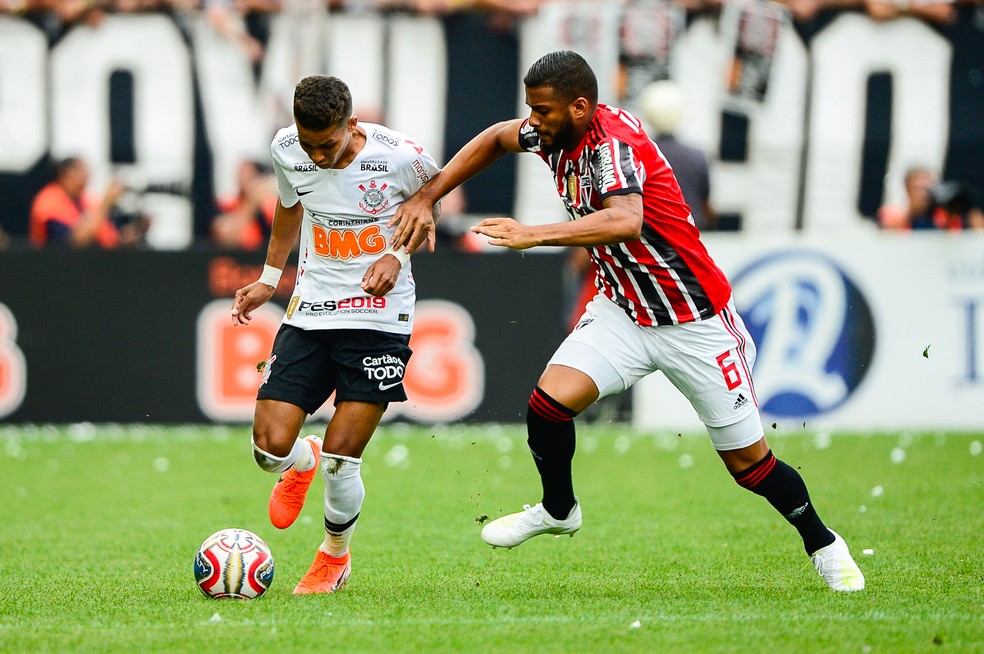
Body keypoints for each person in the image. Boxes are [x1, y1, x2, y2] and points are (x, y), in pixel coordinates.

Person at [390, 50, 864, 592]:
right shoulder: (554, 130)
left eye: (543, 111)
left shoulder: (610, 146)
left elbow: (626, 220)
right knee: (547, 406)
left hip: (692, 319)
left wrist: (533, 234)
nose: (533, 121)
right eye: (532, 109)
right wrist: (428, 195)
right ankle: (559, 510)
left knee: (750, 467)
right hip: (623, 310)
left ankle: (825, 544)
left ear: (579, 107)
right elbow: (498, 137)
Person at [229, 75, 440, 595]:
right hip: (312, 310)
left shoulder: (400, 155)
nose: (318, 156)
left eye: (328, 145)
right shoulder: (286, 148)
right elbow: (289, 205)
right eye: (309, 144)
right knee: (267, 448)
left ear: (352, 125)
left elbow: (432, 199)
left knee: (343, 458)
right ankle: (302, 460)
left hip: (379, 315)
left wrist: (397, 254)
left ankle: (334, 556)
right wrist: (268, 277)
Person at [640, 80, 716, 232]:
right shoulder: (697, 156)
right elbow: (706, 207)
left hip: (650, 238)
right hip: (690, 236)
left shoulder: (637, 155)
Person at [29, 156, 127, 248]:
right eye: (82, 171)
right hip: (55, 259)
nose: (87, 176)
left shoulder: (86, 200)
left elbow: (107, 236)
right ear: (66, 173)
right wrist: (106, 203)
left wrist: (123, 237)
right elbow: (73, 242)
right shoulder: (49, 201)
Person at [210, 159, 278, 250]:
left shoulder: (269, 207)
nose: (243, 180)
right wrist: (252, 202)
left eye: (249, 176)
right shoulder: (229, 204)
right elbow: (223, 234)